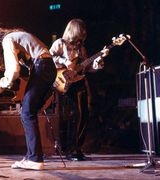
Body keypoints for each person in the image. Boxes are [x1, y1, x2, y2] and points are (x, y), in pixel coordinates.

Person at [0, 28, 57, 170]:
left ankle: (35, 159)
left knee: (26, 113)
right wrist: (5, 82)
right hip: (48, 67)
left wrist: (3, 84)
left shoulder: (8, 40)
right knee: (28, 112)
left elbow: (13, 70)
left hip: (42, 66)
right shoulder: (16, 37)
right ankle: (33, 156)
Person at [49, 18, 109, 161]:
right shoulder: (60, 43)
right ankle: (68, 149)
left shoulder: (81, 48)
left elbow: (85, 68)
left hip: (80, 82)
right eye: (81, 30)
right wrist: (65, 61)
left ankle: (77, 148)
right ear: (74, 29)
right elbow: (49, 57)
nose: (83, 33)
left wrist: (97, 64)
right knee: (72, 115)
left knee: (85, 113)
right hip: (65, 83)